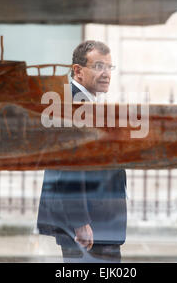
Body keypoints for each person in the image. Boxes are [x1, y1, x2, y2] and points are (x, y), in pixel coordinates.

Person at [37, 40, 127, 263]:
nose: (106, 73)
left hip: (98, 222)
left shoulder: (86, 102)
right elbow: (66, 167)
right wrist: (80, 221)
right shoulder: (70, 105)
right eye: (98, 66)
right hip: (88, 225)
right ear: (77, 71)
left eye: (109, 67)